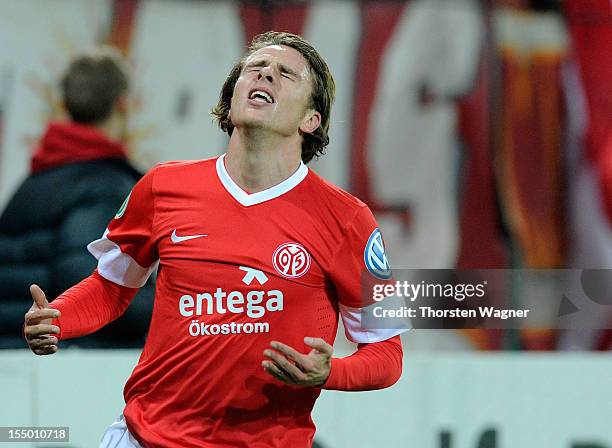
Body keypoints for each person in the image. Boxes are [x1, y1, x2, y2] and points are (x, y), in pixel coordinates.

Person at [23, 32, 407, 447]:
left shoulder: (348, 219)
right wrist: (58, 317)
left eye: (285, 74)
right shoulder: (163, 186)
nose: (265, 75)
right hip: (145, 437)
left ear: (311, 119)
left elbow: (387, 353)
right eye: (254, 69)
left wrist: (331, 373)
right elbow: (111, 286)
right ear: (232, 97)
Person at [1, 47, 154, 348]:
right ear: (123, 104)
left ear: (64, 104)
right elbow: (97, 290)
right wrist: (175, 304)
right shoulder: (106, 185)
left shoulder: (33, 181)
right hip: (71, 367)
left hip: (19, 362)